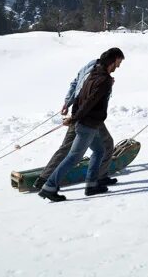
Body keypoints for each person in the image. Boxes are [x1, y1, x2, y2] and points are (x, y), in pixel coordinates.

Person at [38, 48, 123, 202]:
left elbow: (80, 97)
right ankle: (49, 186)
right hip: (88, 124)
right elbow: (90, 101)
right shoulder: (104, 80)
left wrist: (73, 114)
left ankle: (92, 184)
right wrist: (75, 118)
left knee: (99, 150)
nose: (119, 66)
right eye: (118, 62)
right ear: (113, 60)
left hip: (90, 122)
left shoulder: (93, 74)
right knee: (73, 157)